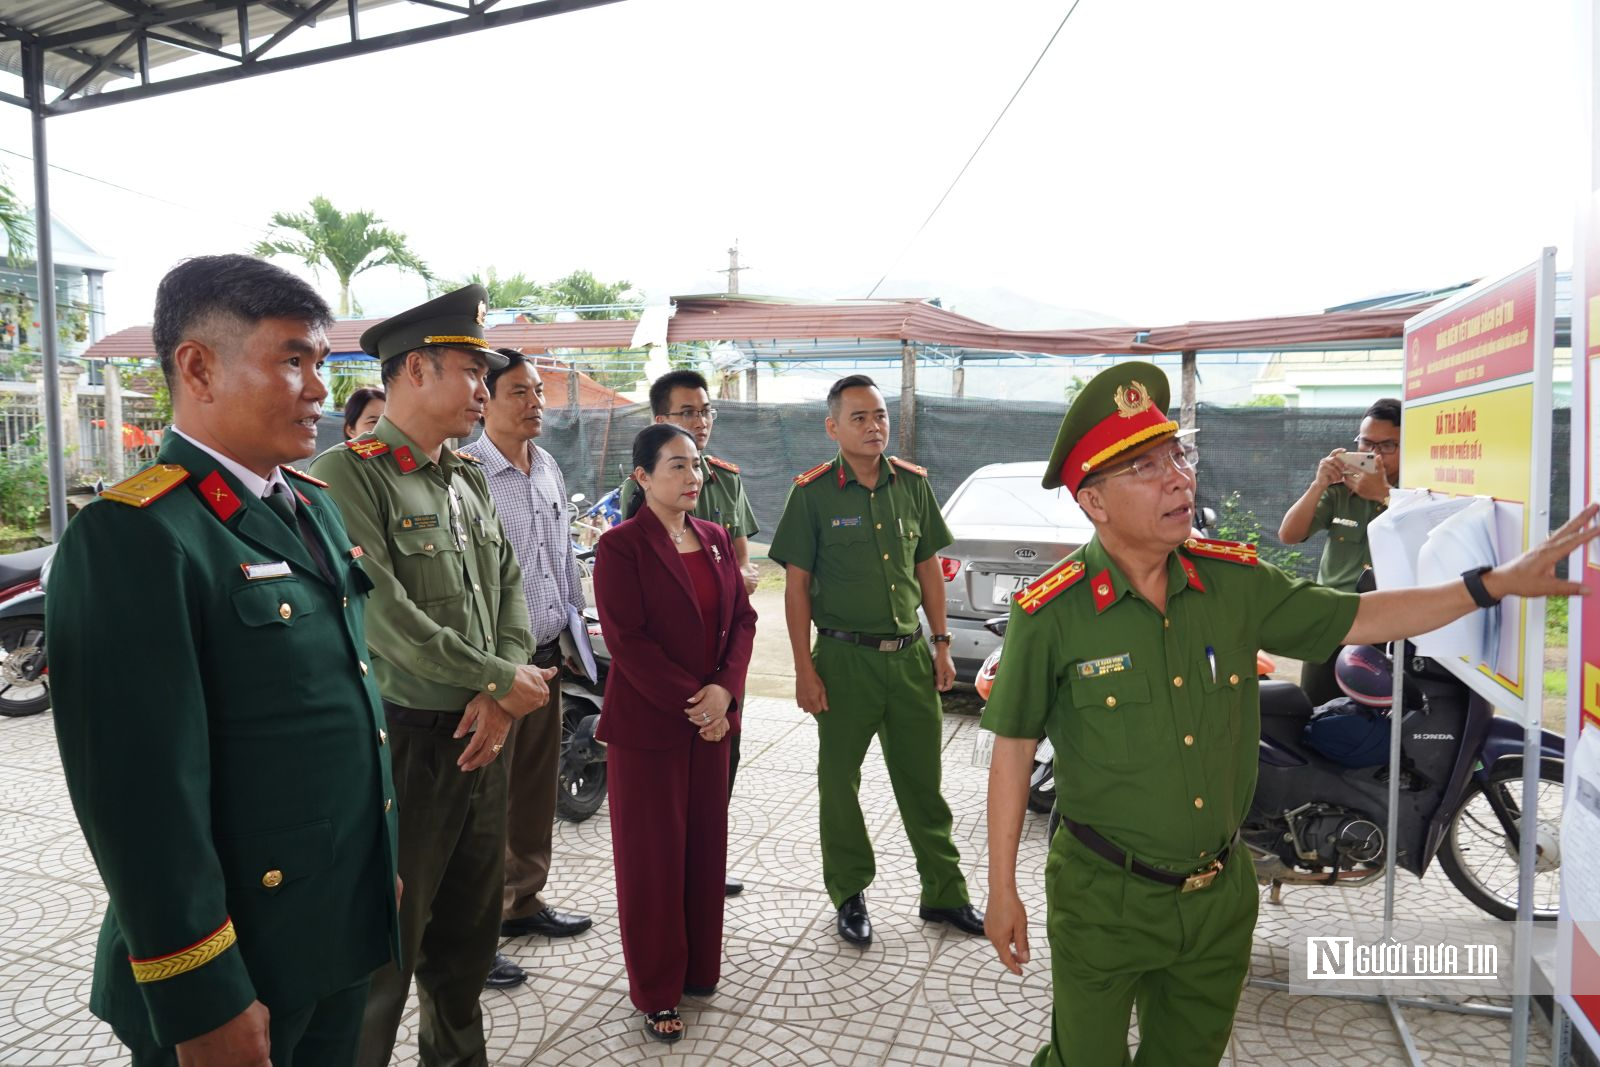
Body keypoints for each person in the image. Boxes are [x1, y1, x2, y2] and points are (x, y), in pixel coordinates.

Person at [980, 363, 1599, 1067]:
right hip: (1102, 898)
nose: (1179, 477)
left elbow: (1361, 614)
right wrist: (1003, 891)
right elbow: (1011, 752)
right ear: (1093, 501)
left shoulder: (1233, 582)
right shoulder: (1050, 614)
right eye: (1147, 467)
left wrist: (1491, 584)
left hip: (1219, 895)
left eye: (1177, 454)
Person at [48, 253, 400, 1066]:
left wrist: (376, 874)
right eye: (290, 359)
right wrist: (203, 995)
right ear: (197, 367)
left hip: (336, 932)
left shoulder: (308, 504)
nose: (319, 388)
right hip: (238, 964)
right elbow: (140, 803)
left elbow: (343, 709)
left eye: (319, 362)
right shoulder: (138, 535)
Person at [309, 285, 557, 1067]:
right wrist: (498, 680)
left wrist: (504, 689)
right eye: (470, 371)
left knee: (465, 952)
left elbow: (509, 585)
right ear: (414, 370)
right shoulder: (347, 476)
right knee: (384, 961)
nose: (483, 390)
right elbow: (386, 621)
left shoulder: (466, 476)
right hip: (405, 752)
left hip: (483, 742)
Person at [766, 374, 984, 947]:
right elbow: (796, 590)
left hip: (910, 658)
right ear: (833, 427)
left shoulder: (911, 485)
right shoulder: (811, 494)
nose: (874, 427)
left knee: (924, 783)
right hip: (843, 661)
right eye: (859, 417)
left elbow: (928, 570)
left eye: (881, 415)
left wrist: (942, 643)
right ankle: (850, 892)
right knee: (840, 783)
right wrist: (803, 670)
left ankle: (944, 892)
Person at [594, 423, 757, 1043]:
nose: (691, 478)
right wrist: (698, 702)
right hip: (652, 728)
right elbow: (627, 641)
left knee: (703, 849)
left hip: (711, 725)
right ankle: (657, 989)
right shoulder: (621, 547)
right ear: (641, 477)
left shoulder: (715, 538)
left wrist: (725, 693)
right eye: (675, 467)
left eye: (695, 467)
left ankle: (698, 969)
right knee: (652, 860)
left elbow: (743, 618)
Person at [458, 349, 594, 992]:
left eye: (539, 391)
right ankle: (474, 932)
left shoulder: (547, 467)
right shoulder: (468, 474)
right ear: (485, 399)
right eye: (520, 391)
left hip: (548, 659)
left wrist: (576, 630)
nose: (535, 402)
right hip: (494, 669)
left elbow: (561, 555)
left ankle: (523, 903)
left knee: (536, 793)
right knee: (483, 807)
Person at [617, 369, 760, 896]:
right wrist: (700, 704)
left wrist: (724, 693)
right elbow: (633, 623)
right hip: (668, 693)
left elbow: (743, 580)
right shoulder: (640, 494)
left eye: (705, 412)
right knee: (660, 825)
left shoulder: (725, 482)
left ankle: (705, 862)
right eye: (687, 413)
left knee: (715, 789)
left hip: (718, 669)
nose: (700, 422)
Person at [1277, 398, 1402, 703]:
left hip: (1386, 625)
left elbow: (1418, 538)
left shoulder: (1415, 494)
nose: (1373, 454)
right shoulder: (1340, 490)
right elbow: (1288, 534)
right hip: (1332, 621)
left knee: (1375, 717)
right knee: (1317, 710)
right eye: (1366, 443)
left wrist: (1385, 496)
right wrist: (1318, 485)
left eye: (1387, 446)